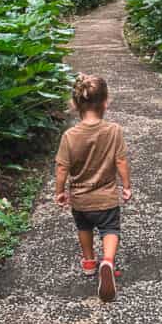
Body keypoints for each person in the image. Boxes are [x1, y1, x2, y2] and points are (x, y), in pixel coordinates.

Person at [54, 73, 132, 302]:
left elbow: (61, 167)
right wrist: (126, 186)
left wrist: (60, 191)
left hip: (80, 199)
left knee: (84, 227)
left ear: (75, 103)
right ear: (106, 101)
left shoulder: (69, 136)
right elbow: (121, 162)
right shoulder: (114, 130)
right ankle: (107, 260)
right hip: (106, 198)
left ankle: (89, 262)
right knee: (110, 230)